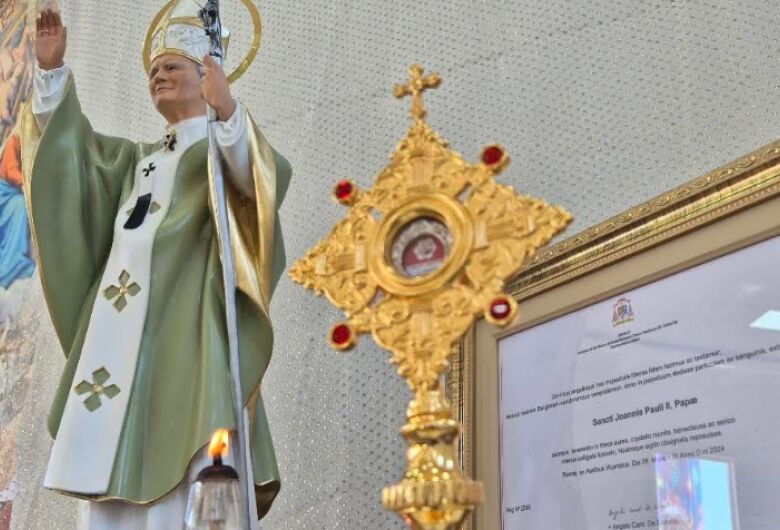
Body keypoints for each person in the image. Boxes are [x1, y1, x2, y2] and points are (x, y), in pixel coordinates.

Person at [21, 2, 290, 527]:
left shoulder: (220, 146)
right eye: (153, 71)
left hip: (188, 338)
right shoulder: (136, 162)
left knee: (192, 461)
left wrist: (228, 111)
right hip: (116, 348)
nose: (158, 77)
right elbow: (72, 159)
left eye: (172, 68)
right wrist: (51, 74)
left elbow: (257, 185)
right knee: (106, 484)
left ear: (206, 76)